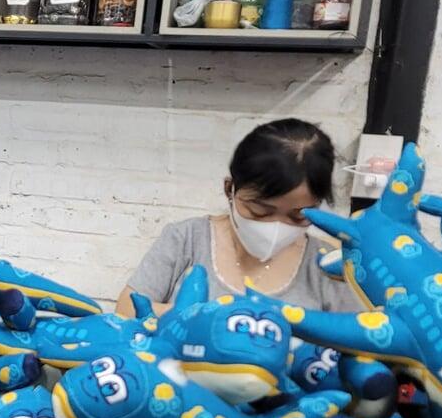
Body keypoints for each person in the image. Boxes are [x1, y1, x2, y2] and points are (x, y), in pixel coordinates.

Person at [116, 118, 358, 317]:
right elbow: (126, 309)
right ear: (229, 189)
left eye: (298, 216)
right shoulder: (186, 239)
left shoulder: (330, 265)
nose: (276, 226)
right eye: (260, 210)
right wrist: (206, 319)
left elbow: (355, 338)